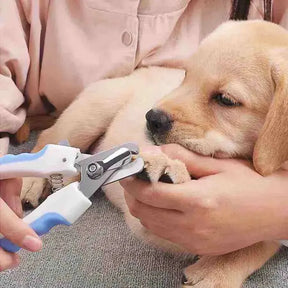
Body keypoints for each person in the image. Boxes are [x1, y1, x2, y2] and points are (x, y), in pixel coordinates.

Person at [0, 0, 287, 272]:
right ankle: (49, 151)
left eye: (225, 99)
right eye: (186, 76)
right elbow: (144, 221)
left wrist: (273, 212)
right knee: (105, 98)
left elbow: (267, 233)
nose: (159, 112)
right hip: (122, 100)